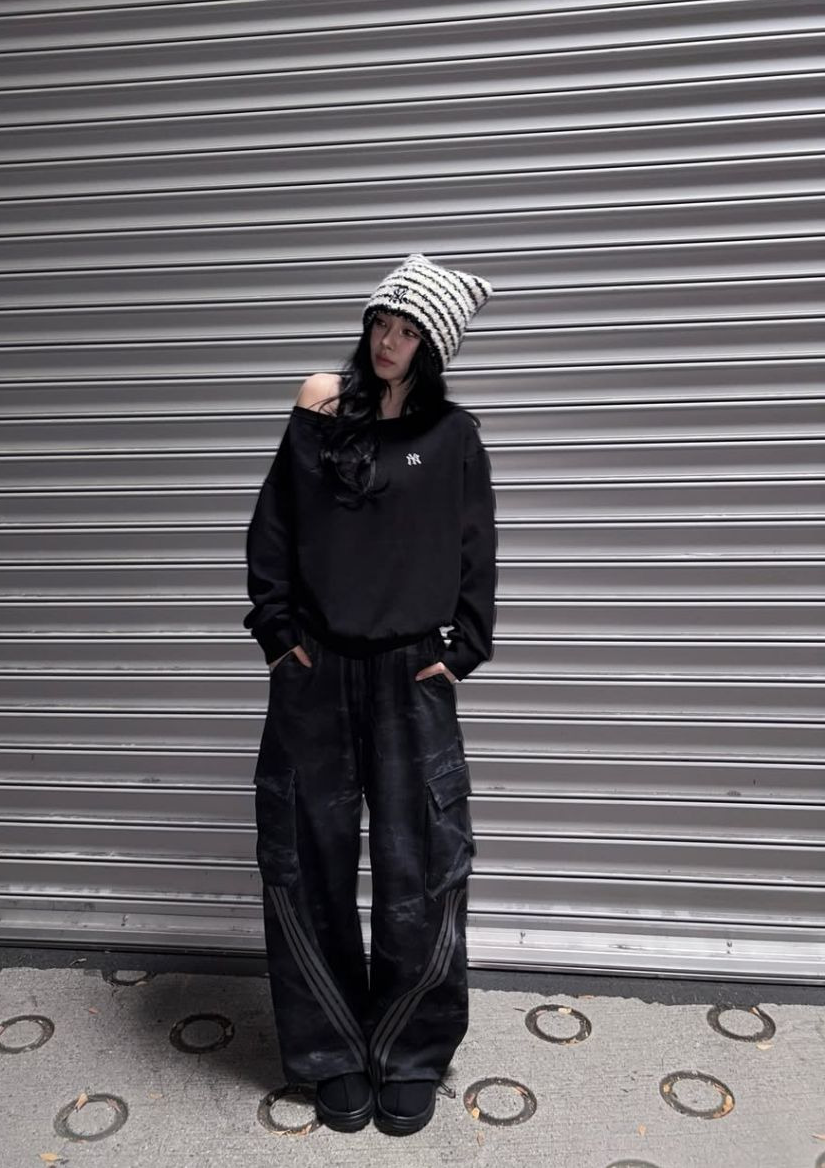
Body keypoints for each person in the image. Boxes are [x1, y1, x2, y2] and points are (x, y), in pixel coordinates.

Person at [242, 253, 497, 1137]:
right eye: (381, 323)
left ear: (434, 346)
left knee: (423, 863)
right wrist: (279, 637)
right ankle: (330, 1051)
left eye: (408, 330)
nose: (388, 341)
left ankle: (410, 1050)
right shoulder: (320, 405)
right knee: (303, 858)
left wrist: (462, 650)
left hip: (408, 674)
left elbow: (476, 546)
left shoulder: (454, 435)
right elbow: (274, 525)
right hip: (316, 670)